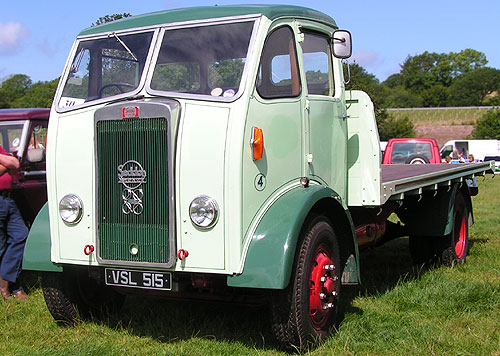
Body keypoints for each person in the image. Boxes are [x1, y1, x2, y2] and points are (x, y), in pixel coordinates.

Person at [0, 144, 28, 300]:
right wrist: (6, 164)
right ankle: (13, 287)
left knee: (21, 235)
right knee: (1, 246)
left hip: (8, 200)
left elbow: (15, 164)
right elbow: (9, 164)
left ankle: (5, 280)